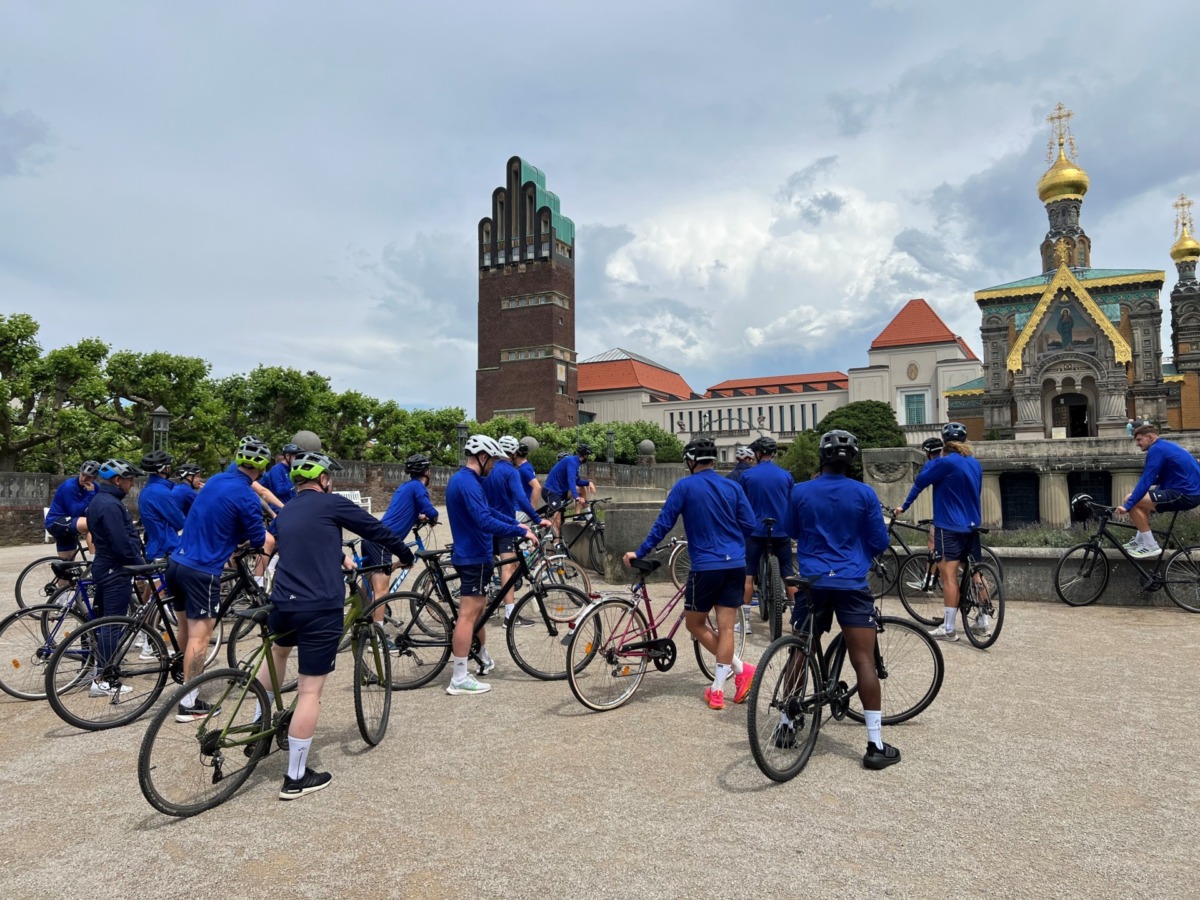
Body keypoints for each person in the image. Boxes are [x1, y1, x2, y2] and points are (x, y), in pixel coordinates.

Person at [261, 450, 414, 800]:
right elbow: (377, 530)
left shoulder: (286, 511)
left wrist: (339, 557)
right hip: (319, 607)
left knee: (278, 652)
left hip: (282, 604)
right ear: (325, 479)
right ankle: (295, 777)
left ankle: (258, 718)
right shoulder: (331, 504)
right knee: (310, 691)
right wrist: (405, 555)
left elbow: (299, 543)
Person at [785, 430, 899, 769]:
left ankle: (786, 724)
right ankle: (875, 745)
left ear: (821, 457)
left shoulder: (800, 491)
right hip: (850, 581)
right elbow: (879, 541)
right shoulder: (864, 493)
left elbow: (791, 530)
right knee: (863, 659)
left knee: (799, 650)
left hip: (812, 582)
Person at [623, 438, 757, 710]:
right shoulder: (732, 486)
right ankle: (725, 685)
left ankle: (736, 674)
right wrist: (730, 540)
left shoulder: (684, 487)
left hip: (706, 565)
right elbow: (750, 524)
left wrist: (640, 551)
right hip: (734, 563)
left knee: (695, 624)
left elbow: (664, 523)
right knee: (727, 627)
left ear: (691, 460)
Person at [166, 437, 276, 721]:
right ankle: (188, 703)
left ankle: (183, 683)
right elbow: (257, 540)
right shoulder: (248, 497)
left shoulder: (214, 481)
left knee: (185, 628)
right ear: (262, 468)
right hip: (203, 570)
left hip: (177, 562)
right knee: (201, 637)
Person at [444, 435, 537, 696]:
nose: (494, 466)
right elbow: (484, 520)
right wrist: (519, 531)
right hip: (474, 555)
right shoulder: (468, 483)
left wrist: (515, 525)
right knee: (467, 616)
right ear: (482, 457)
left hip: (474, 553)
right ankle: (459, 677)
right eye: (493, 460)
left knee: (479, 613)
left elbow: (489, 512)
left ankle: (482, 656)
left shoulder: (464, 480)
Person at [893, 422, 983, 643]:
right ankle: (983, 620)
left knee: (948, 574)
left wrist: (903, 506)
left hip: (949, 525)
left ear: (945, 442)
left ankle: (949, 628)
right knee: (976, 572)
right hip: (972, 524)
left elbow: (920, 482)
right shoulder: (974, 463)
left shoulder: (944, 462)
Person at [87, 458, 147, 696]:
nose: (131, 484)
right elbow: (120, 543)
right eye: (129, 479)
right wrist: (139, 565)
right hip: (114, 568)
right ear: (117, 479)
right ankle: (104, 679)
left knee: (103, 622)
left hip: (104, 564)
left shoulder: (100, 500)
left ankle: (99, 671)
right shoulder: (111, 505)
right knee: (113, 624)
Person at [482, 436, 553, 637]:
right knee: (508, 567)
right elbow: (522, 500)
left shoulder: (488, 470)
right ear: (513, 453)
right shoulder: (511, 472)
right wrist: (536, 519)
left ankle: (482, 607)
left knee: (487, 564)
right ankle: (510, 615)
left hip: (486, 523)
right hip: (504, 523)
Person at [363, 453, 440, 623]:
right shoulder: (419, 487)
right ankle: (378, 636)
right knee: (381, 591)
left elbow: (401, 511)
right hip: (384, 541)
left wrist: (417, 517)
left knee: (368, 585)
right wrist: (433, 517)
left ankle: (364, 623)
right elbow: (430, 510)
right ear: (427, 472)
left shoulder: (404, 487)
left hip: (373, 536)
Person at [1116, 421, 1200, 558]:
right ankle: (1140, 540)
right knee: (1137, 496)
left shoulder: (1157, 449)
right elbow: (1161, 477)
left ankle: (1150, 545)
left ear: (1150, 437)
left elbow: (1147, 478)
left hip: (1184, 494)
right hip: (1189, 491)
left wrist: (1128, 505)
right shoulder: (1166, 445)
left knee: (1131, 499)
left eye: (1139, 440)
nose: (1137, 444)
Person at [739, 436, 797, 613]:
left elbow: (742, 504)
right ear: (773, 454)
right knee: (788, 573)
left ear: (757, 453)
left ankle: (745, 620)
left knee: (748, 574)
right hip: (781, 531)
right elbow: (791, 503)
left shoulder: (747, 475)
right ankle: (796, 615)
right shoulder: (786, 475)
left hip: (755, 531)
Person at [44, 460, 99, 559]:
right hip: (56, 522)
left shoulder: (96, 487)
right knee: (94, 524)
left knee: (67, 568)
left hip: (71, 525)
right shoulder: (69, 486)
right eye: (83, 474)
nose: (84, 478)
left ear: (94, 478)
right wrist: (90, 494)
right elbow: (75, 511)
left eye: (88, 477)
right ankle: (95, 564)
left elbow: (105, 502)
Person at [138, 450, 185, 561]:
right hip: (165, 548)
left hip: (156, 545)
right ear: (164, 468)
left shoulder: (149, 490)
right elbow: (179, 521)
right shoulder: (159, 492)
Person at [543, 443, 591, 521]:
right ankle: (552, 531)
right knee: (558, 519)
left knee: (582, 489)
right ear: (585, 455)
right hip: (552, 491)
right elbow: (571, 479)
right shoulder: (571, 461)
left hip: (561, 491)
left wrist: (588, 483)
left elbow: (577, 480)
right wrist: (576, 496)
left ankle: (584, 516)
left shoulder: (575, 463)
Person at [261, 443, 302, 508]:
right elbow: (279, 491)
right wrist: (294, 481)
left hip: (290, 507)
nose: (298, 460)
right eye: (295, 457)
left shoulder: (290, 469)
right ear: (288, 456)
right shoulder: (277, 469)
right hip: (279, 510)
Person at [514, 442, 542, 513]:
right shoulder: (527, 466)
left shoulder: (524, 469)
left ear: (516, 454)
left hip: (520, 510)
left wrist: (532, 508)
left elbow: (537, 487)